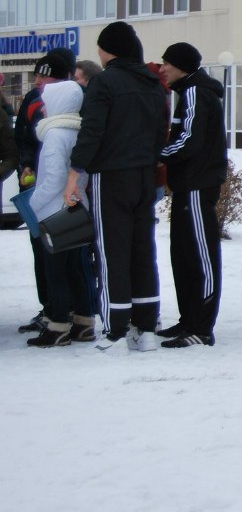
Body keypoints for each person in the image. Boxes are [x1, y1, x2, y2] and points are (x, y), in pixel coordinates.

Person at [64, 22, 169, 351]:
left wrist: (75, 172)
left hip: (110, 176)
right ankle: (146, 328)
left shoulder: (105, 82)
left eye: (100, 47)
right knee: (143, 250)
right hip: (144, 175)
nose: (98, 53)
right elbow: (160, 131)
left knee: (112, 252)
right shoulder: (153, 83)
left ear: (109, 50)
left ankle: (116, 330)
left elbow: (92, 130)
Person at [156, 42, 228, 348]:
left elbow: (189, 139)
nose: (163, 69)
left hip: (198, 184)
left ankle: (202, 327)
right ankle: (188, 320)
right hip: (187, 185)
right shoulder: (187, 91)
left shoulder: (196, 92)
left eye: (167, 63)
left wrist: (159, 155)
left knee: (200, 255)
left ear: (182, 66)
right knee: (183, 255)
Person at [26, 80, 93, 347]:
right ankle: (84, 322)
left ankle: (58, 327)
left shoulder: (54, 135)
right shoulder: (78, 132)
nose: (43, 108)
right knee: (76, 269)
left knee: (56, 272)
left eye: (46, 102)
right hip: (77, 209)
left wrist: (33, 203)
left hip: (55, 213)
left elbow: (53, 179)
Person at [14, 53, 74, 335]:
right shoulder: (31, 99)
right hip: (34, 184)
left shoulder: (71, 100)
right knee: (41, 250)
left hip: (59, 191)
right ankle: (49, 306)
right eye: (37, 75)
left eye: (45, 76)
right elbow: (22, 139)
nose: (38, 80)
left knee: (64, 253)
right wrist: (26, 164)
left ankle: (66, 310)